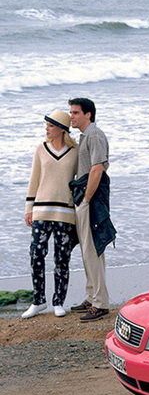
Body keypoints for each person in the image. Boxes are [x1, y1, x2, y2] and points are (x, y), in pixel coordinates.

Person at [21, 111, 79, 319]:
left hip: (65, 212)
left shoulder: (75, 151)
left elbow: (81, 180)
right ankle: (38, 301)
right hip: (41, 211)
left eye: (51, 125)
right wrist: (29, 208)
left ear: (62, 129)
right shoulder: (41, 149)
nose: (47, 128)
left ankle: (58, 301)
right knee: (36, 254)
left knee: (62, 258)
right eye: (46, 125)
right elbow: (34, 179)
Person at [68, 97, 115, 322]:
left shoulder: (94, 135)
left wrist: (86, 199)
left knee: (93, 249)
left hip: (92, 198)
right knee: (87, 249)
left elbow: (97, 169)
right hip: (86, 195)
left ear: (88, 114)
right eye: (71, 112)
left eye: (76, 112)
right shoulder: (85, 136)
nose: (72, 116)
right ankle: (91, 296)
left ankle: (100, 303)